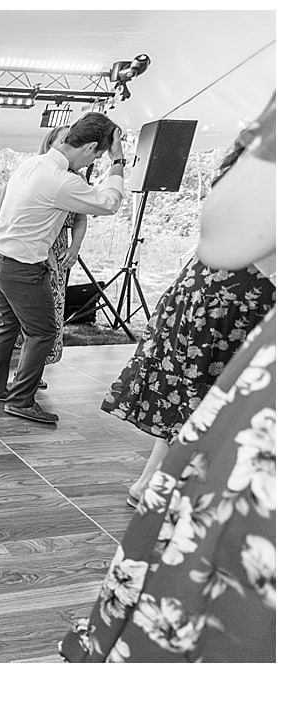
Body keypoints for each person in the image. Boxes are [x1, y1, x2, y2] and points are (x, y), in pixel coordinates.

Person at [60, 92, 275, 663]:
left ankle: (156, 486)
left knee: (204, 416)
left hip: (234, 297)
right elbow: (227, 235)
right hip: (226, 296)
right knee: (197, 404)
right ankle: (156, 483)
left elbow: (228, 230)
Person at [101, 124, 275, 507]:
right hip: (235, 303)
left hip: (198, 294)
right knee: (212, 403)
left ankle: (150, 485)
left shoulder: (242, 173)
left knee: (191, 397)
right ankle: (181, 494)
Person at [0, 112, 126, 424]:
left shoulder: (33, 164)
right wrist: (117, 162)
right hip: (20, 269)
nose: (91, 163)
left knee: (6, 326)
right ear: (90, 148)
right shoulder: (61, 180)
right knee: (43, 332)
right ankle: (20, 400)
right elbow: (110, 203)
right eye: (96, 155)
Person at [10, 126, 89, 385]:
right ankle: (24, 373)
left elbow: (80, 219)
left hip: (61, 248)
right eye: (63, 139)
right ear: (51, 144)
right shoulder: (40, 172)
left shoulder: (76, 180)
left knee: (53, 311)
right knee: (33, 314)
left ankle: (37, 371)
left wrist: (74, 248)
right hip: (37, 248)